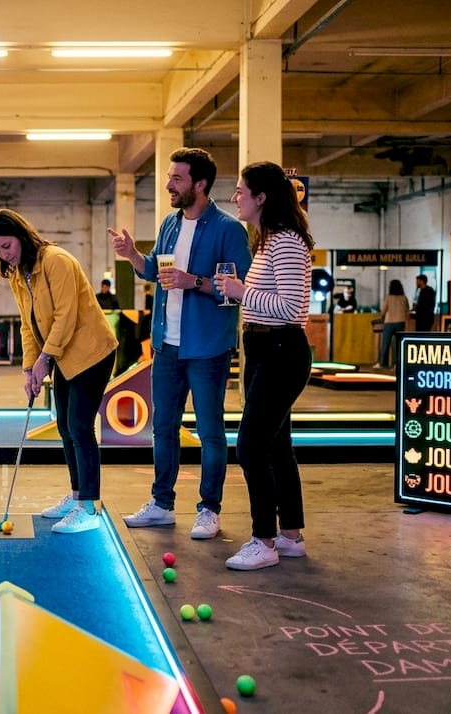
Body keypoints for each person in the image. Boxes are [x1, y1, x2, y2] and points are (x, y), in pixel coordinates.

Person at [109, 147, 252, 540]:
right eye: (170, 177)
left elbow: (239, 291)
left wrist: (196, 283)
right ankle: (161, 504)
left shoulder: (228, 230)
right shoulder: (170, 224)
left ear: (200, 184)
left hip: (207, 348)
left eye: (177, 179)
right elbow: (157, 272)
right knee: (163, 428)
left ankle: (209, 509)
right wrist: (133, 256)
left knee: (209, 432)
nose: (169, 185)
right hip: (166, 346)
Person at [0, 209, 118, 533]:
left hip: (92, 353)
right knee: (65, 428)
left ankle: (89, 508)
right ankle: (76, 496)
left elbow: (66, 317)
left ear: (21, 236)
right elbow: (29, 327)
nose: (5, 255)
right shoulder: (18, 275)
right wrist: (30, 368)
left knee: (80, 427)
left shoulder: (55, 260)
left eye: (7, 246)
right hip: (64, 358)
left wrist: (45, 359)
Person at [215, 160, 314, 570]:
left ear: (261, 197)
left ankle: (264, 540)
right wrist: (244, 294)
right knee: (277, 446)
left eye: (241, 191)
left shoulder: (287, 242)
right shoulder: (268, 241)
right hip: (262, 349)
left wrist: (241, 292)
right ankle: (290, 534)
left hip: (280, 350)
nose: (235, 197)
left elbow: (293, 308)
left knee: (251, 446)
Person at [376, 279, 409, 369]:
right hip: (400, 322)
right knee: (397, 345)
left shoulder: (388, 297)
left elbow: (383, 311)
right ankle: (396, 364)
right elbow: (407, 310)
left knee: (385, 344)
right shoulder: (404, 298)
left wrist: (381, 317)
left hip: (389, 322)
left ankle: (382, 363)